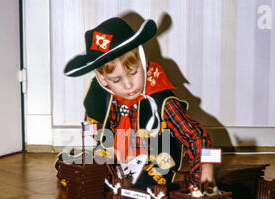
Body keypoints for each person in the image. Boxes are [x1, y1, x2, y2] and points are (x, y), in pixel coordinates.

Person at [64, 17, 214, 190]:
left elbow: (198, 136)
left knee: (141, 185)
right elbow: (91, 125)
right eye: (116, 79)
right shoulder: (99, 94)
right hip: (115, 160)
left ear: (143, 63)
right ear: (102, 79)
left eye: (133, 72)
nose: (128, 85)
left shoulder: (162, 99)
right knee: (72, 165)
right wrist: (108, 145)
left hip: (153, 165)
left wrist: (206, 167)